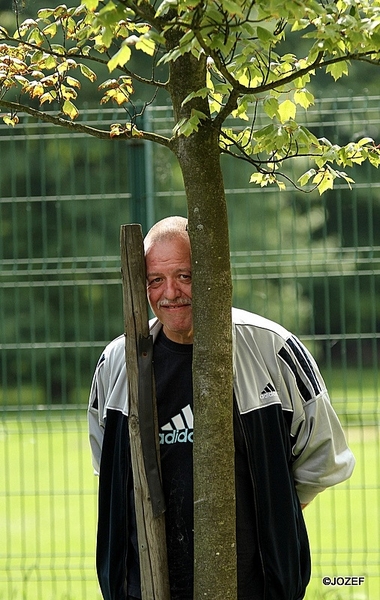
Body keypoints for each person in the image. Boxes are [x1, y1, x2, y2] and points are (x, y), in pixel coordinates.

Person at [88, 216, 355, 600]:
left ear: (212, 273)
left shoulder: (271, 348)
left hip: (253, 586)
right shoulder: (117, 361)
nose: (171, 292)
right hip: (144, 586)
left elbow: (324, 455)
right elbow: (107, 463)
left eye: (185, 275)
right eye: (156, 280)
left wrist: (275, 509)